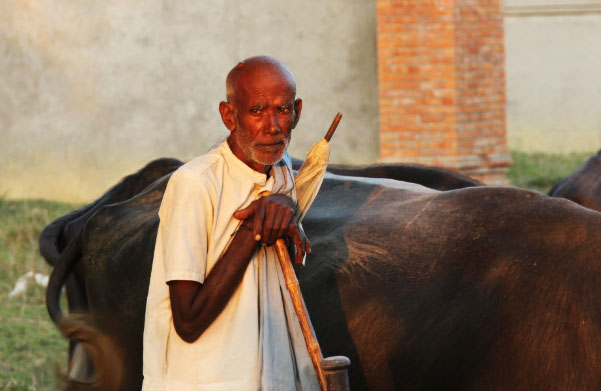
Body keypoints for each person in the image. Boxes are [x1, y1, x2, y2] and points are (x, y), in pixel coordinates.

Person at [142, 56, 320, 391]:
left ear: (298, 111)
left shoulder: (281, 175)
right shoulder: (196, 184)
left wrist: (282, 206)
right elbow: (188, 321)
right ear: (229, 116)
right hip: (205, 380)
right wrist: (253, 231)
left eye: (283, 110)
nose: (273, 127)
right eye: (257, 111)